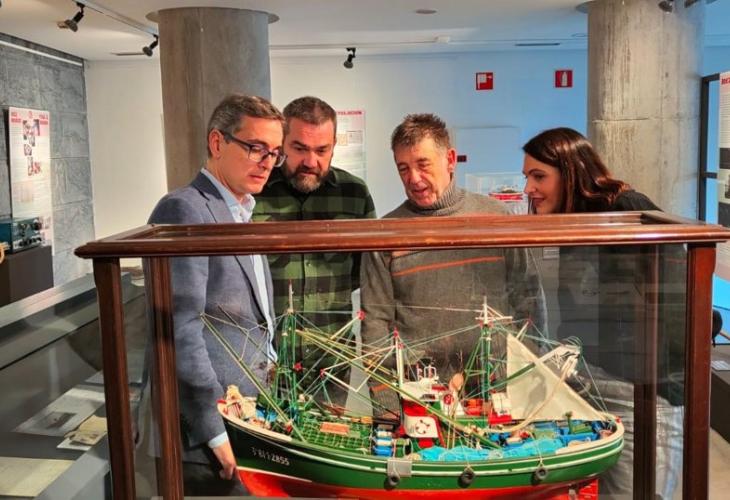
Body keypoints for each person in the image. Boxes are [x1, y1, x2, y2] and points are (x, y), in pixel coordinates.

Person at [522, 127, 684, 498]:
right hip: (593, 381)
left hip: (643, 390)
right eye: (527, 177)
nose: (529, 188)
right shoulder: (576, 221)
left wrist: (668, 381)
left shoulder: (626, 208)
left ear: (570, 171)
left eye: (539, 176)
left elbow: (672, 295)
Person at [143, 94, 285, 496]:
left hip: (247, 415)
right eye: (255, 147)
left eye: (274, 153)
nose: (267, 162)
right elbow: (179, 329)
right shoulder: (184, 209)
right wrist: (215, 431)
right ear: (217, 142)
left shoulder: (241, 212)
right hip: (209, 433)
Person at [360, 113, 546, 408]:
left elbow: (529, 302)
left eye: (423, 164)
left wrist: (527, 383)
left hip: (497, 393)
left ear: (450, 159)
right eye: (403, 168)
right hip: (419, 398)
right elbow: (375, 324)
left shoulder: (497, 219)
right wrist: (387, 406)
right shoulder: (386, 234)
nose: (413, 178)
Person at [253, 96, 375, 404]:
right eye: (300, 148)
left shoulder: (355, 194)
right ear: (282, 143)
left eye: (322, 150)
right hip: (264, 362)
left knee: (328, 433)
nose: (311, 161)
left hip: (331, 364)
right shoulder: (255, 194)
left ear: (334, 146)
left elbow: (364, 272)